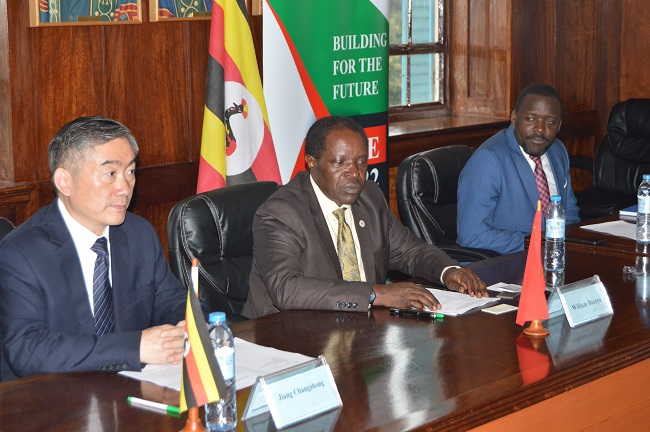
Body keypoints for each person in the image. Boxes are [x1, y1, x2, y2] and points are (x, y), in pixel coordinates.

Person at [0, 116, 195, 381]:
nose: (124, 188)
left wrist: (193, 325)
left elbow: (170, 301)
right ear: (65, 181)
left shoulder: (139, 234)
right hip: (51, 402)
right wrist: (134, 348)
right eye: (110, 173)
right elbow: (28, 351)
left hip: (130, 392)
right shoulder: (20, 254)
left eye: (130, 171)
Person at [242, 116, 487, 319]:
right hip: (287, 337)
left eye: (361, 162)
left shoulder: (369, 197)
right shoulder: (281, 212)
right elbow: (286, 289)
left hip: (359, 330)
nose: (354, 174)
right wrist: (376, 294)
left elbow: (410, 251)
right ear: (312, 163)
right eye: (340, 163)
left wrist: (449, 271)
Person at [457, 83, 580, 255]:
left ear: (559, 126)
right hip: (502, 265)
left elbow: (570, 213)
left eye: (550, 122)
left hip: (553, 260)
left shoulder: (557, 150)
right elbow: (472, 235)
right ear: (514, 118)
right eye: (530, 119)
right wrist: (535, 243)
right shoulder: (489, 160)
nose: (540, 129)